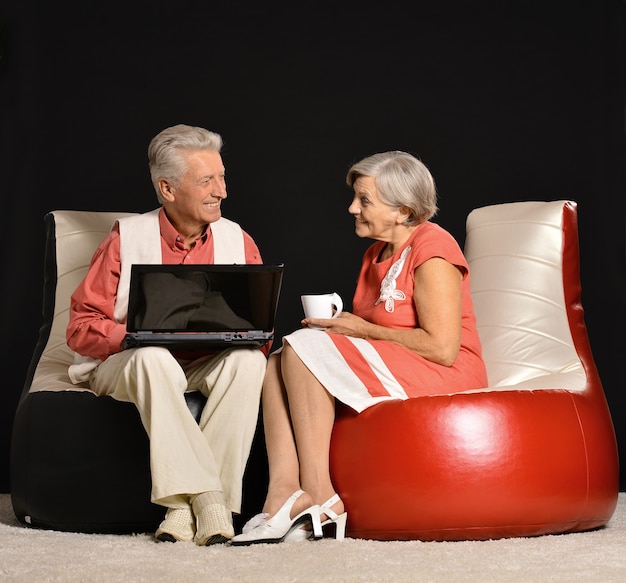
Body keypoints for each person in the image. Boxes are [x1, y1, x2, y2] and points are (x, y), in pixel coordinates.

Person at [230, 150, 488, 545]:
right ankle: (284, 492)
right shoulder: (375, 254)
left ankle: (322, 494)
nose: (353, 208)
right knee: (276, 361)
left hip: (447, 372)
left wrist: (361, 330)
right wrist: (346, 328)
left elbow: (442, 348)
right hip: (403, 363)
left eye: (364, 200)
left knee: (302, 349)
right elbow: (378, 328)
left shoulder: (433, 247)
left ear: (402, 210)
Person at [66, 124, 268, 546]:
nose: (222, 192)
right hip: (128, 366)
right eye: (207, 180)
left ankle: (181, 508)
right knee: (153, 355)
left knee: (250, 362)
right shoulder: (126, 238)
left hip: (203, 364)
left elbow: (261, 333)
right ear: (168, 189)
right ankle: (212, 500)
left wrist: (243, 337)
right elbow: (81, 327)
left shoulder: (238, 239)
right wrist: (135, 337)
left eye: (222, 177)